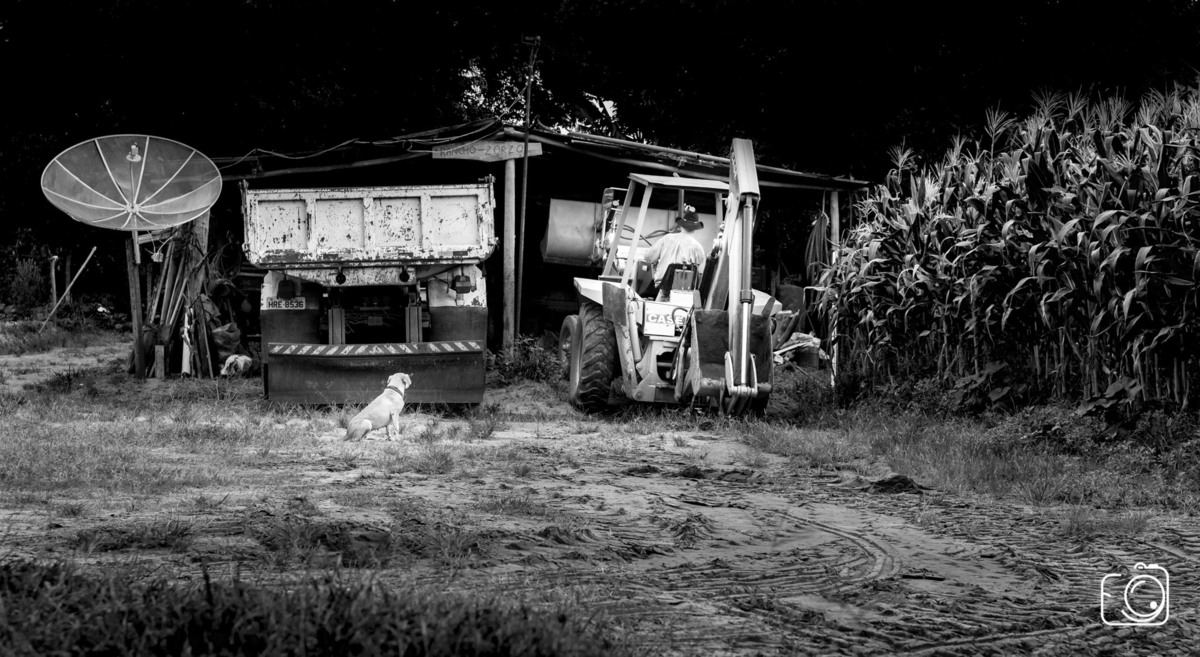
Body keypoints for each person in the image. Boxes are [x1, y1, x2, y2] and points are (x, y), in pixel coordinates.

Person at [643, 208, 707, 300]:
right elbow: (701, 274)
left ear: (681, 226)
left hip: (664, 290)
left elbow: (649, 258)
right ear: (695, 229)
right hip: (686, 294)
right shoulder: (698, 248)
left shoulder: (667, 238)